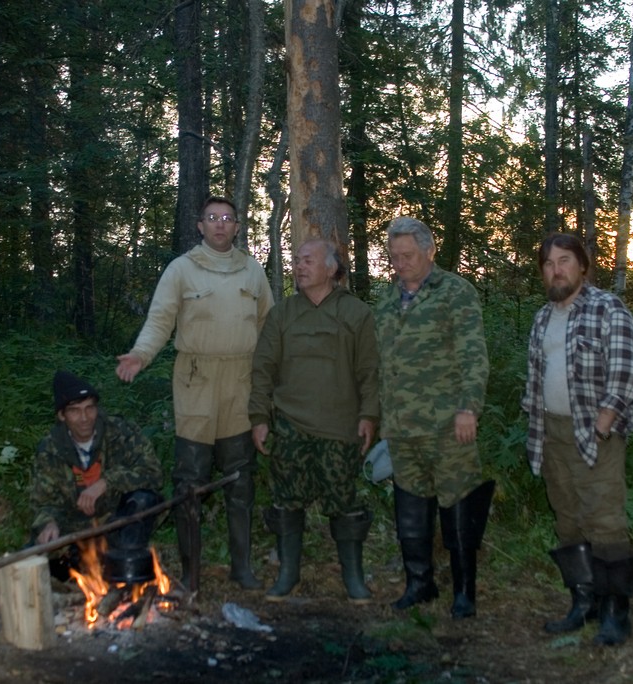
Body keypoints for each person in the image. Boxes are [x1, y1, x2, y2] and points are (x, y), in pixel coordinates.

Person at [115, 196, 274, 593]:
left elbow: (269, 327)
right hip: (196, 381)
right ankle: (191, 573)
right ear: (200, 226)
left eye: (227, 218)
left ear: (237, 227)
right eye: (212, 218)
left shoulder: (253, 271)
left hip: (240, 381)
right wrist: (140, 354)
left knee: (240, 478)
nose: (220, 224)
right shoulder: (181, 270)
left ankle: (242, 567)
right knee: (190, 481)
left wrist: (273, 378)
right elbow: (160, 320)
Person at [521, 232, 633, 646]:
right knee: (568, 519)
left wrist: (603, 424)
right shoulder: (542, 318)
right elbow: (536, 378)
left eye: (564, 261)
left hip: (596, 432)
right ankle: (583, 603)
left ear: (583, 266)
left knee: (604, 520)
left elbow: (625, 373)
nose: (556, 270)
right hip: (551, 432)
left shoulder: (608, 308)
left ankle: (615, 614)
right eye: (548, 264)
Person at [373, 216, 494, 620]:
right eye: (394, 256)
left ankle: (464, 592)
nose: (400, 263)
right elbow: (380, 364)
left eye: (407, 255)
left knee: (458, 504)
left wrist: (468, 408)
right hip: (401, 426)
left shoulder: (455, 292)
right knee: (410, 508)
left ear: (429, 251)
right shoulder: (387, 300)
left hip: (447, 425)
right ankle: (419, 584)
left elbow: (473, 355)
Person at [249, 238, 380, 603]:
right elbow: (263, 368)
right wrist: (259, 416)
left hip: (340, 427)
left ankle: (353, 578)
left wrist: (369, 415)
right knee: (286, 500)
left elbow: (369, 371)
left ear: (331, 268)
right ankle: (288, 574)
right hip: (290, 424)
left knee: (344, 501)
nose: (299, 266)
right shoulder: (283, 313)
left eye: (307, 260)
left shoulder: (356, 313)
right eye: (296, 260)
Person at [31, 371, 164, 581]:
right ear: (61, 415)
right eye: (75, 411)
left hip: (119, 524)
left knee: (143, 499)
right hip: (77, 530)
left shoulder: (120, 432)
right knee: (34, 559)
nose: (85, 418)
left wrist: (107, 482)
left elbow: (153, 473)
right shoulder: (50, 449)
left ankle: (127, 573)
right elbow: (44, 503)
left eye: (90, 408)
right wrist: (48, 524)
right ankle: (86, 569)